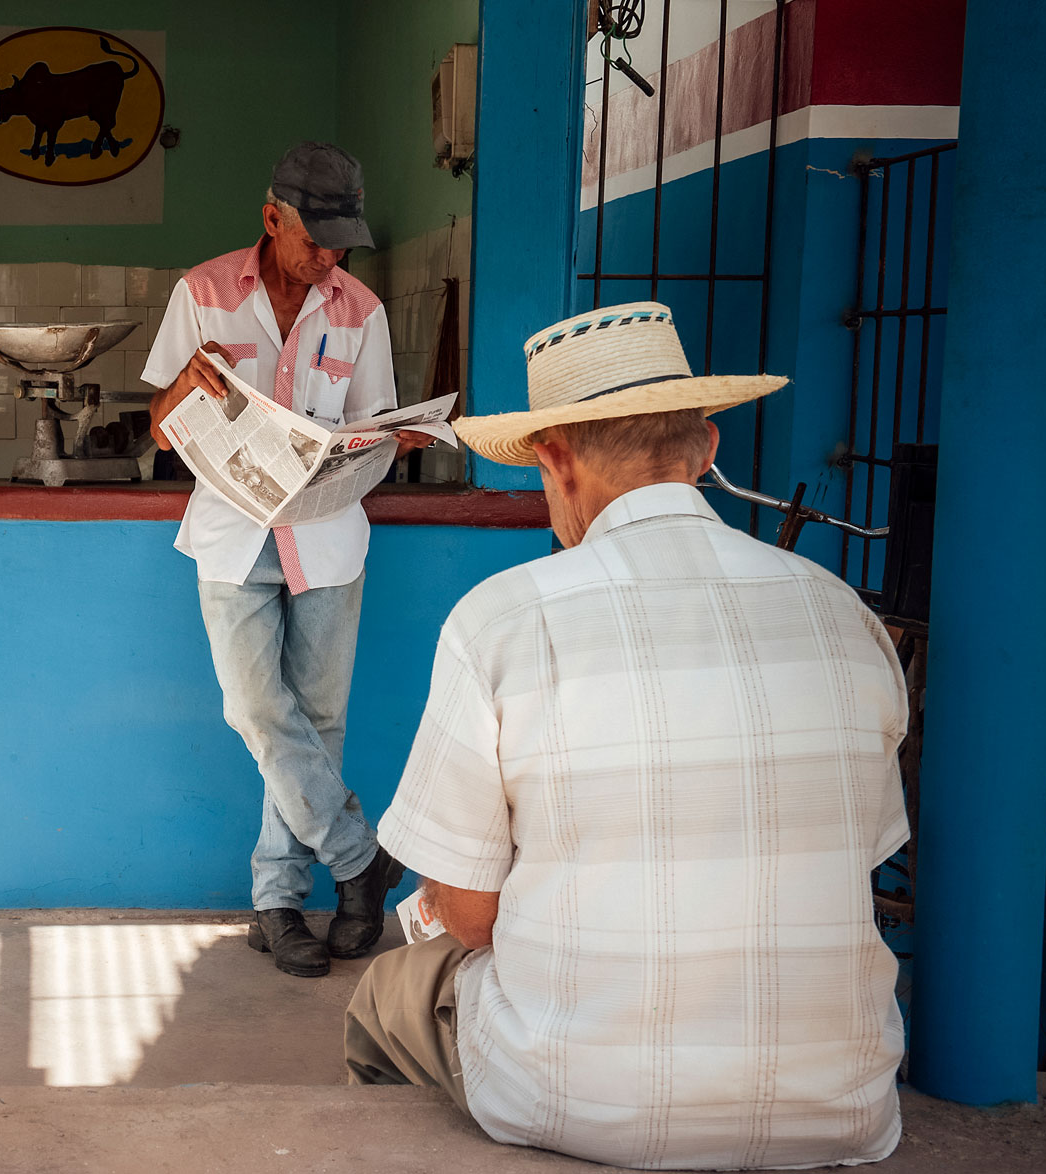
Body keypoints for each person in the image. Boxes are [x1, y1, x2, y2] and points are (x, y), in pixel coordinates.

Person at [346, 302, 911, 1169]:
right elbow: (858, 853)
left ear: (556, 457)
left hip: (580, 1105)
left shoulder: (501, 619)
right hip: (838, 1108)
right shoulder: (840, 611)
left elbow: (467, 916)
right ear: (706, 447)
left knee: (392, 991)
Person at [142, 142, 432, 978]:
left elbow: (375, 423)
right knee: (259, 711)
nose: (330, 257)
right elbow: (160, 426)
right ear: (273, 219)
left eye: (343, 241)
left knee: (317, 721)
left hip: (329, 534)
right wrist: (181, 391)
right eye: (317, 238)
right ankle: (360, 860)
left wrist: (396, 435)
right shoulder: (200, 295)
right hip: (232, 534)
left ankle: (277, 903)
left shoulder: (361, 310)